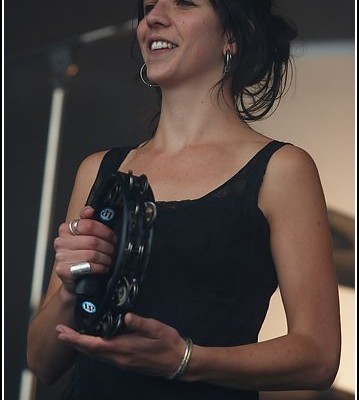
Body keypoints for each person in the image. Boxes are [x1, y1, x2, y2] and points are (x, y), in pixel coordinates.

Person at [27, 0, 341, 399]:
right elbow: (41, 361)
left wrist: (186, 360)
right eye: (147, 7)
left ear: (233, 34)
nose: (153, 17)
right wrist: (73, 290)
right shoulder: (99, 170)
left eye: (184, 3)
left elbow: (319, 356)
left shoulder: (282, 169)